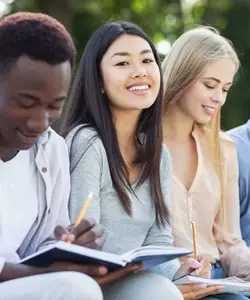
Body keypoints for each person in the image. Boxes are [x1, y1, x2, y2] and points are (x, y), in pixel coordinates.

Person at [61, 21, 215, 300]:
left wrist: (183, 271)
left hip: (130, 282)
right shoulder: (87, 143)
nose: (140, 71)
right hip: (84, 286)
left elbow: (158, 242)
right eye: (122, 64)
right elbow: (82, 247)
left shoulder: (156, 153)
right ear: (98, 81)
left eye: (147, 60)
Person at [162, 26, 250, 300]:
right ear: (183, 76)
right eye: (210, 85)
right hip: (167, 284)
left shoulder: (223, 150)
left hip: (215, 281)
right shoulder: (141, 146)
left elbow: (229, 242)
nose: (219, 98)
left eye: (225, 88)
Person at [0, 12, 106, 300]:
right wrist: (54, 274)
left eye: (54, 105)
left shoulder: (51, 150)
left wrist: (71, 244)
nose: (40, 121)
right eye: (27, 103)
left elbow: (42, 244)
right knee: (75, 290)